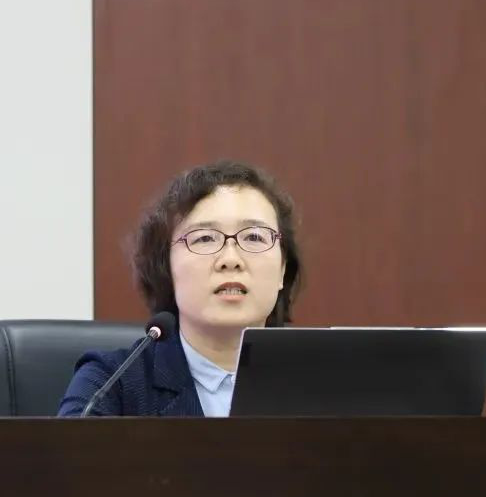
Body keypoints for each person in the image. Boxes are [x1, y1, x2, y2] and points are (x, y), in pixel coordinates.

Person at [58, 160, 303, 416]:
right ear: (166, 267)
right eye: (205, 238)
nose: (231, 259)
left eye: (254, 237)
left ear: (283, 269)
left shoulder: (321, 378)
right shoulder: (111, 384)